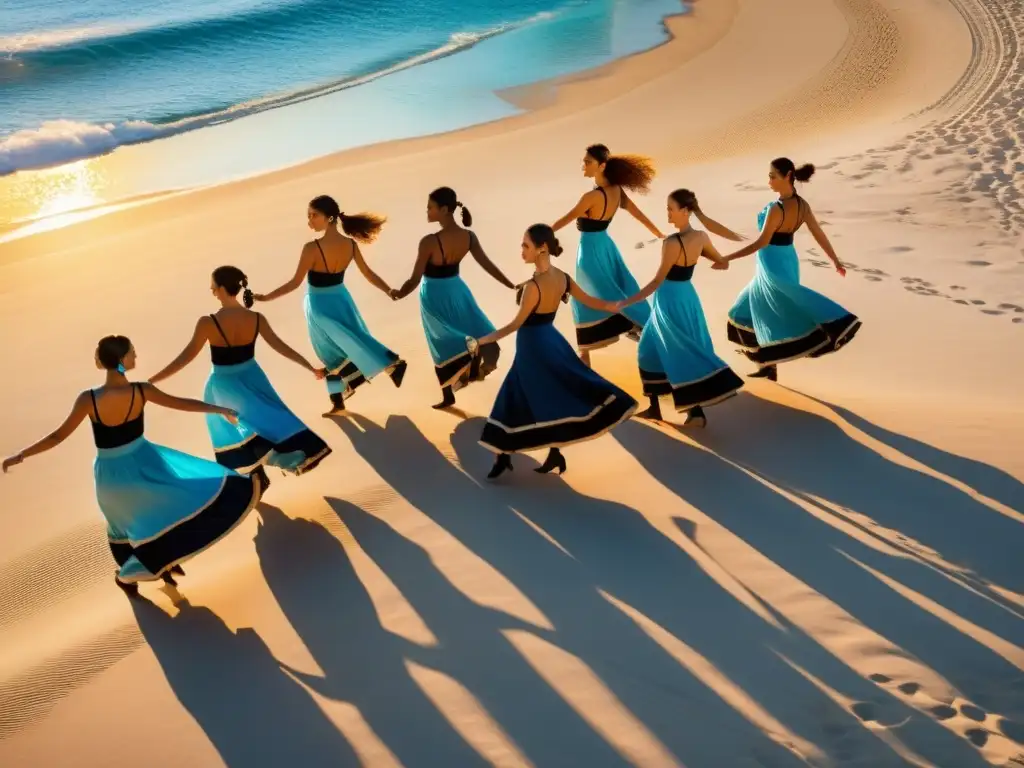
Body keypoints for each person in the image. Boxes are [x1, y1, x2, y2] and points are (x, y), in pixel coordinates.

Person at [1, 336, 260, 594]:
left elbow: (58, 436)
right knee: (165, 510)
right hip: (145, 463)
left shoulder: (88, 399)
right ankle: (128, 576)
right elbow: (181, 404)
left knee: (129, 526)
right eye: (132, 353)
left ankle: (152, 568)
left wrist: (22, 454)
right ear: (122, 360)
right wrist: (219, 409)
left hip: (110, 477)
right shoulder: (141, 390)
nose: (136, 356)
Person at [468, 224, 637, 480]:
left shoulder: (532, 287)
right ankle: (539, 452)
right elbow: (591, 301)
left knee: (517, 394)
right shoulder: (563, 278)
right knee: (545, 392)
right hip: (552, 341)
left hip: (533, 347)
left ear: (542, 248)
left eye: (526, 245)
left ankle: (503, 454)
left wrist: (481, 342)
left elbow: (515, 325)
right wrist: (617, 306)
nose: (521, 250)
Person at [551, 144, 743, 366]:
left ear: (602, 166)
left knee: (589, 296)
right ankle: (633, 330)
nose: (583, 165)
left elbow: (565, 219)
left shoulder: (591, 197)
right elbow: (638, 214)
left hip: (589, 251)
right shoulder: (615, 192)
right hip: (606, 247)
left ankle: (589, 355)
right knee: (613, 290)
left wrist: (542, 237)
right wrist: (657, 232)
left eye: (588, 162)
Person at [148, 266, 332, 483]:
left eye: (214, 287)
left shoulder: (208, 322)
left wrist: (152, 380)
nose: (212, 291)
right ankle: (270, 465)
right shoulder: (256, 318)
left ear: (223, 289)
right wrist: (309, 367)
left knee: (236, 429)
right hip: (254, 377)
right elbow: (281, 347)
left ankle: (271, 464)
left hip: (223, 384)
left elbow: (186, 357)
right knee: (264, 420)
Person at [252, 195, 407, 415]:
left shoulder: (311, 248)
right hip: (342, 300)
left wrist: (266, 297)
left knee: (328, 353)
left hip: (319, 305)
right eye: (308, 216)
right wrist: (388, 290)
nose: (310, 221)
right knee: (353, 339)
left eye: (314, 215)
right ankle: (341, 399)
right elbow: (368, 274)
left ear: (330, 217)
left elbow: (295, 283)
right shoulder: (350, 245)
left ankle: (390, 363)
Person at [722, 158, 860, 381]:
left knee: (765, 312)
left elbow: (761, 243)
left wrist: (727, 257)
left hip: (772, 268)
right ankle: (768, 365)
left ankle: (833, 323)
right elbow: (818, 233)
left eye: (772, 176)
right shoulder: (802, 205)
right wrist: (834, 260)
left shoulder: (777, 210)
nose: (769, 180)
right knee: (746, 311)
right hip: (784, 261)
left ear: (787, 176)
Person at [617, 189, 744, 427]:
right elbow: (721, 261)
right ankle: (666, 409)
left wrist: (627, 301)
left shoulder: (671, 242)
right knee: (657, 348)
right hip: (687, 297)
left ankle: (692, 411)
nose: (668, 214)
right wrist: (715, 263)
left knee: (674, 350)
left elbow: (657, 280)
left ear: (685, 211)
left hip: (668, 300)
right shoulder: (701, 237)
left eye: (671, 209)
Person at [390, 187, 515, 409]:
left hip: (433, 296)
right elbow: (487, 265)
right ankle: (475, 364)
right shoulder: (468, 236)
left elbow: (414, 279)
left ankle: (449, 394)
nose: (427, 211)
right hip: (458, 290)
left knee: (440, 341)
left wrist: (398, 293)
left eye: (430, 207)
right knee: (477, 327)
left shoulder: (429, 241)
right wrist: (510, 284)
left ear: (444, 210)